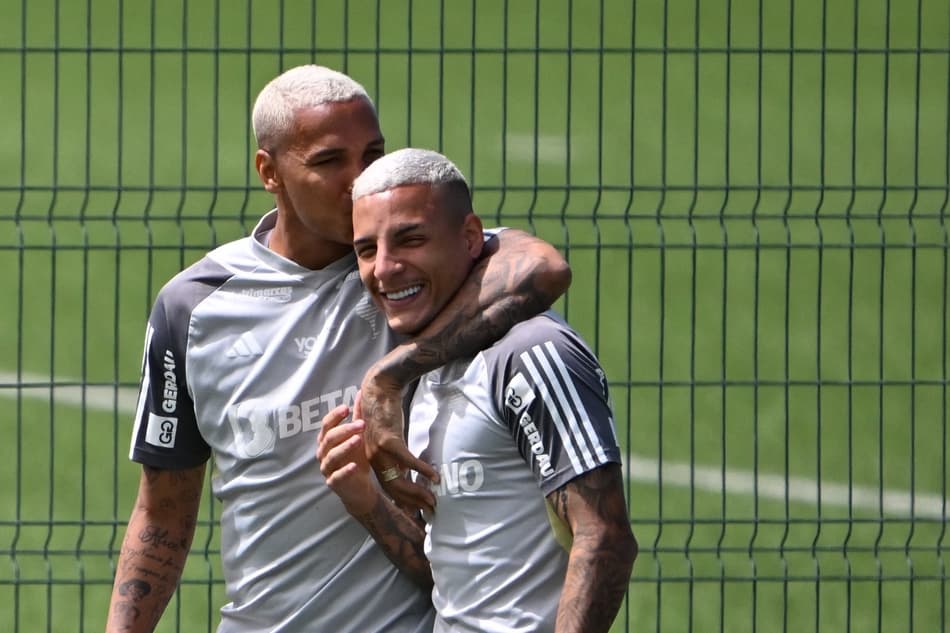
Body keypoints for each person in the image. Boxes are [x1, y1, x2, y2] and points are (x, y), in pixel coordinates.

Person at [105, 65, 571, 633]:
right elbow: (162, 514)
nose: (360, 178)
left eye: (372, 153)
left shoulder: (407, 272)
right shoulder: (194, 308)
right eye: (329, 161)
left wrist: (391, 375)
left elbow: (543, 266)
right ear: (269, 171)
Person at [318, 148, 637, 633]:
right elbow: (455, 582)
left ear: (470, 238)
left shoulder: (531, 351)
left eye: (410, 240)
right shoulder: (430, 363)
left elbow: (605, 537)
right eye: (366, 250)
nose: (383, 268)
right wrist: (367, 502)